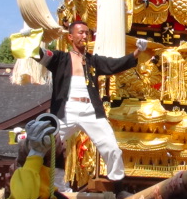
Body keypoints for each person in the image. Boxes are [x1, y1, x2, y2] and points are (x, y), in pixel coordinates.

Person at [36, 21, 147, 181]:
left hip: (90, 109)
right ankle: (35, 179)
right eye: (80, 32)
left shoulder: (92, 61)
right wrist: (30, 45)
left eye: (87, 33)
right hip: (67, 109)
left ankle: (116, 184)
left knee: (112, 148)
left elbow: (114, 65)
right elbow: (42, 55)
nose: (84, 36)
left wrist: (137, 52)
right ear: (70, 37)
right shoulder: (61, 58)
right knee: (46, 143)